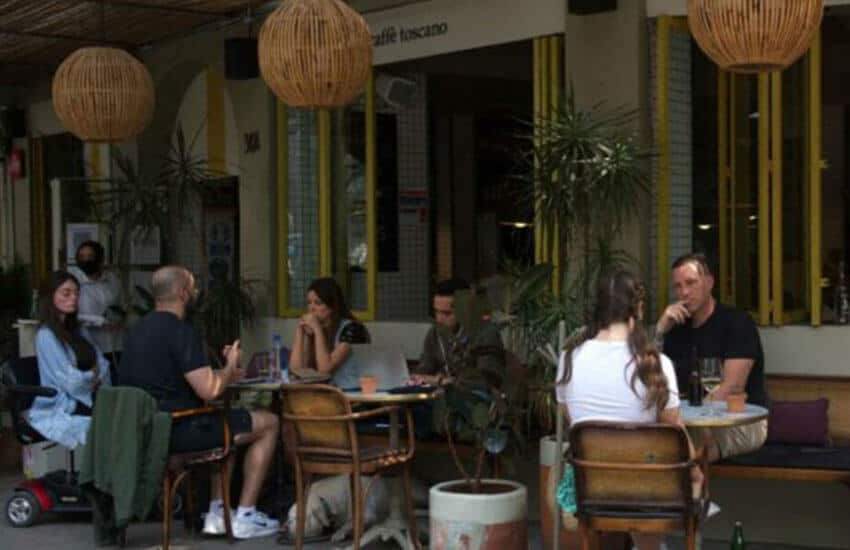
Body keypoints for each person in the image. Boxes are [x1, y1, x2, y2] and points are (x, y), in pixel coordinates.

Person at [118, 266, 280, 540]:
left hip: (143, 430)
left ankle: (218, 513)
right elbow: (210, 390)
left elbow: (180, 378)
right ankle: (246, 515)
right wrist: (229, 366)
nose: (195, 293)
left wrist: (225, 375)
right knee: (269, 422)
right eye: (192, 287)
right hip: (177, 431)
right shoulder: (181, 332)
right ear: (182, 292)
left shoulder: (136, 331)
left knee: (226, 425)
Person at [556, 270, 699, 550]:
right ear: (639, 309)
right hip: (649, 495)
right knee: (684, 473)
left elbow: (575, 423)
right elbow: (675, 433)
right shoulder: (657, 364)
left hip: (593, 495)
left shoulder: (568, 360)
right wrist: (697, 472)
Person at [655, 252, 768, 461]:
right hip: (688, 421)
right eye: (678, 286)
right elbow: (651, 376)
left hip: (740, 422)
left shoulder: (737, 323)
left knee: (683, 449)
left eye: (691, 283)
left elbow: (731, 387)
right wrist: (660, 330)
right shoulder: (675, 328)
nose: (684, 292)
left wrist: (684, 418)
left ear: (709, 283)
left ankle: (695, 489)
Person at [29, 270, 111, 449]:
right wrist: (92, 376)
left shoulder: (79, 330)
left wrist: (93, 376)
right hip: (65, 404)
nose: (73, 298)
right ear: (51, 297)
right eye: (66, 293)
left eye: (76, 293)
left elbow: (103, 364)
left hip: (91, 396)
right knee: (114, 425)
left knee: (126, 412)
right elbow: (69, 381)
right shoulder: (46, 335)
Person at [411, 278, 505, 388]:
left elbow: (489, 380)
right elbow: (424, 370)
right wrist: (416, 377)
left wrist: (443, 381)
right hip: (442, 397)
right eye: (436, 312)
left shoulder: (485, 333)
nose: (439, 319)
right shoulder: (435, 333)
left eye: (447, 313)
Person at [288, 277, 370, 388]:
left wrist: (317, 329)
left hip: (350, 393)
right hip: (326, 394)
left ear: (331, 306)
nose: (311, 308)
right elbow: (296, 371)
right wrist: (301, 331)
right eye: (309, 303)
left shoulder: (352, 329)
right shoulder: (318, 329)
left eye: (318, 303)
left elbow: (324, 369)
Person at [68, 240, 122, 356]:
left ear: (100, 259)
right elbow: (69, 315)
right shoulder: (73, 282)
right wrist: (99, 321)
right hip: (87, 346)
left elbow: (119, 306)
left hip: (114, 344)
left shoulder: (113, 280)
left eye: (90, 256)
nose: (86, 260)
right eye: (82, 257)